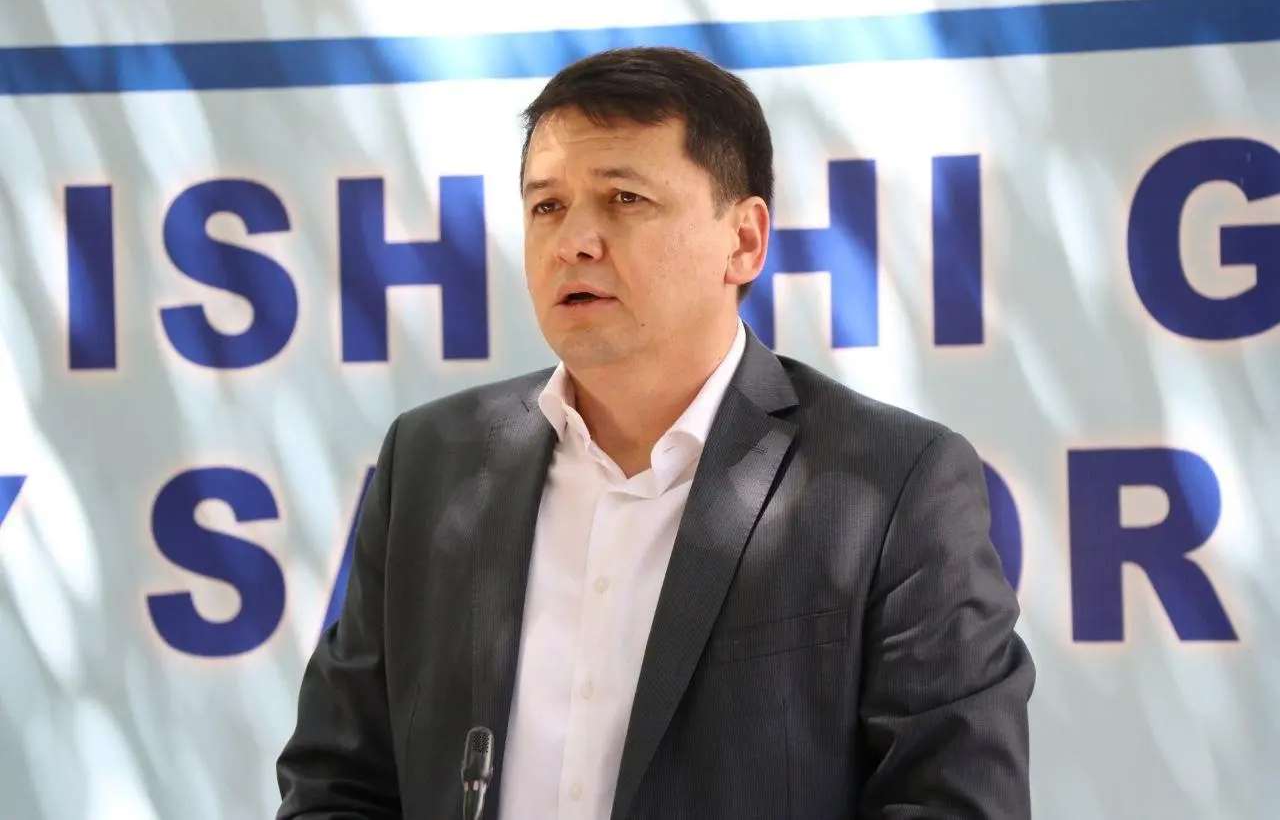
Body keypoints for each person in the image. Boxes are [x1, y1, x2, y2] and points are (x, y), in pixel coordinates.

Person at [276, 46, 1034, 820]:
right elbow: (337, 783)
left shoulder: (890, 485)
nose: (575, 240)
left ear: (744, 240)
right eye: (547, 206)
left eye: (625, 198)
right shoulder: (432, 464)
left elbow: (954, 801)